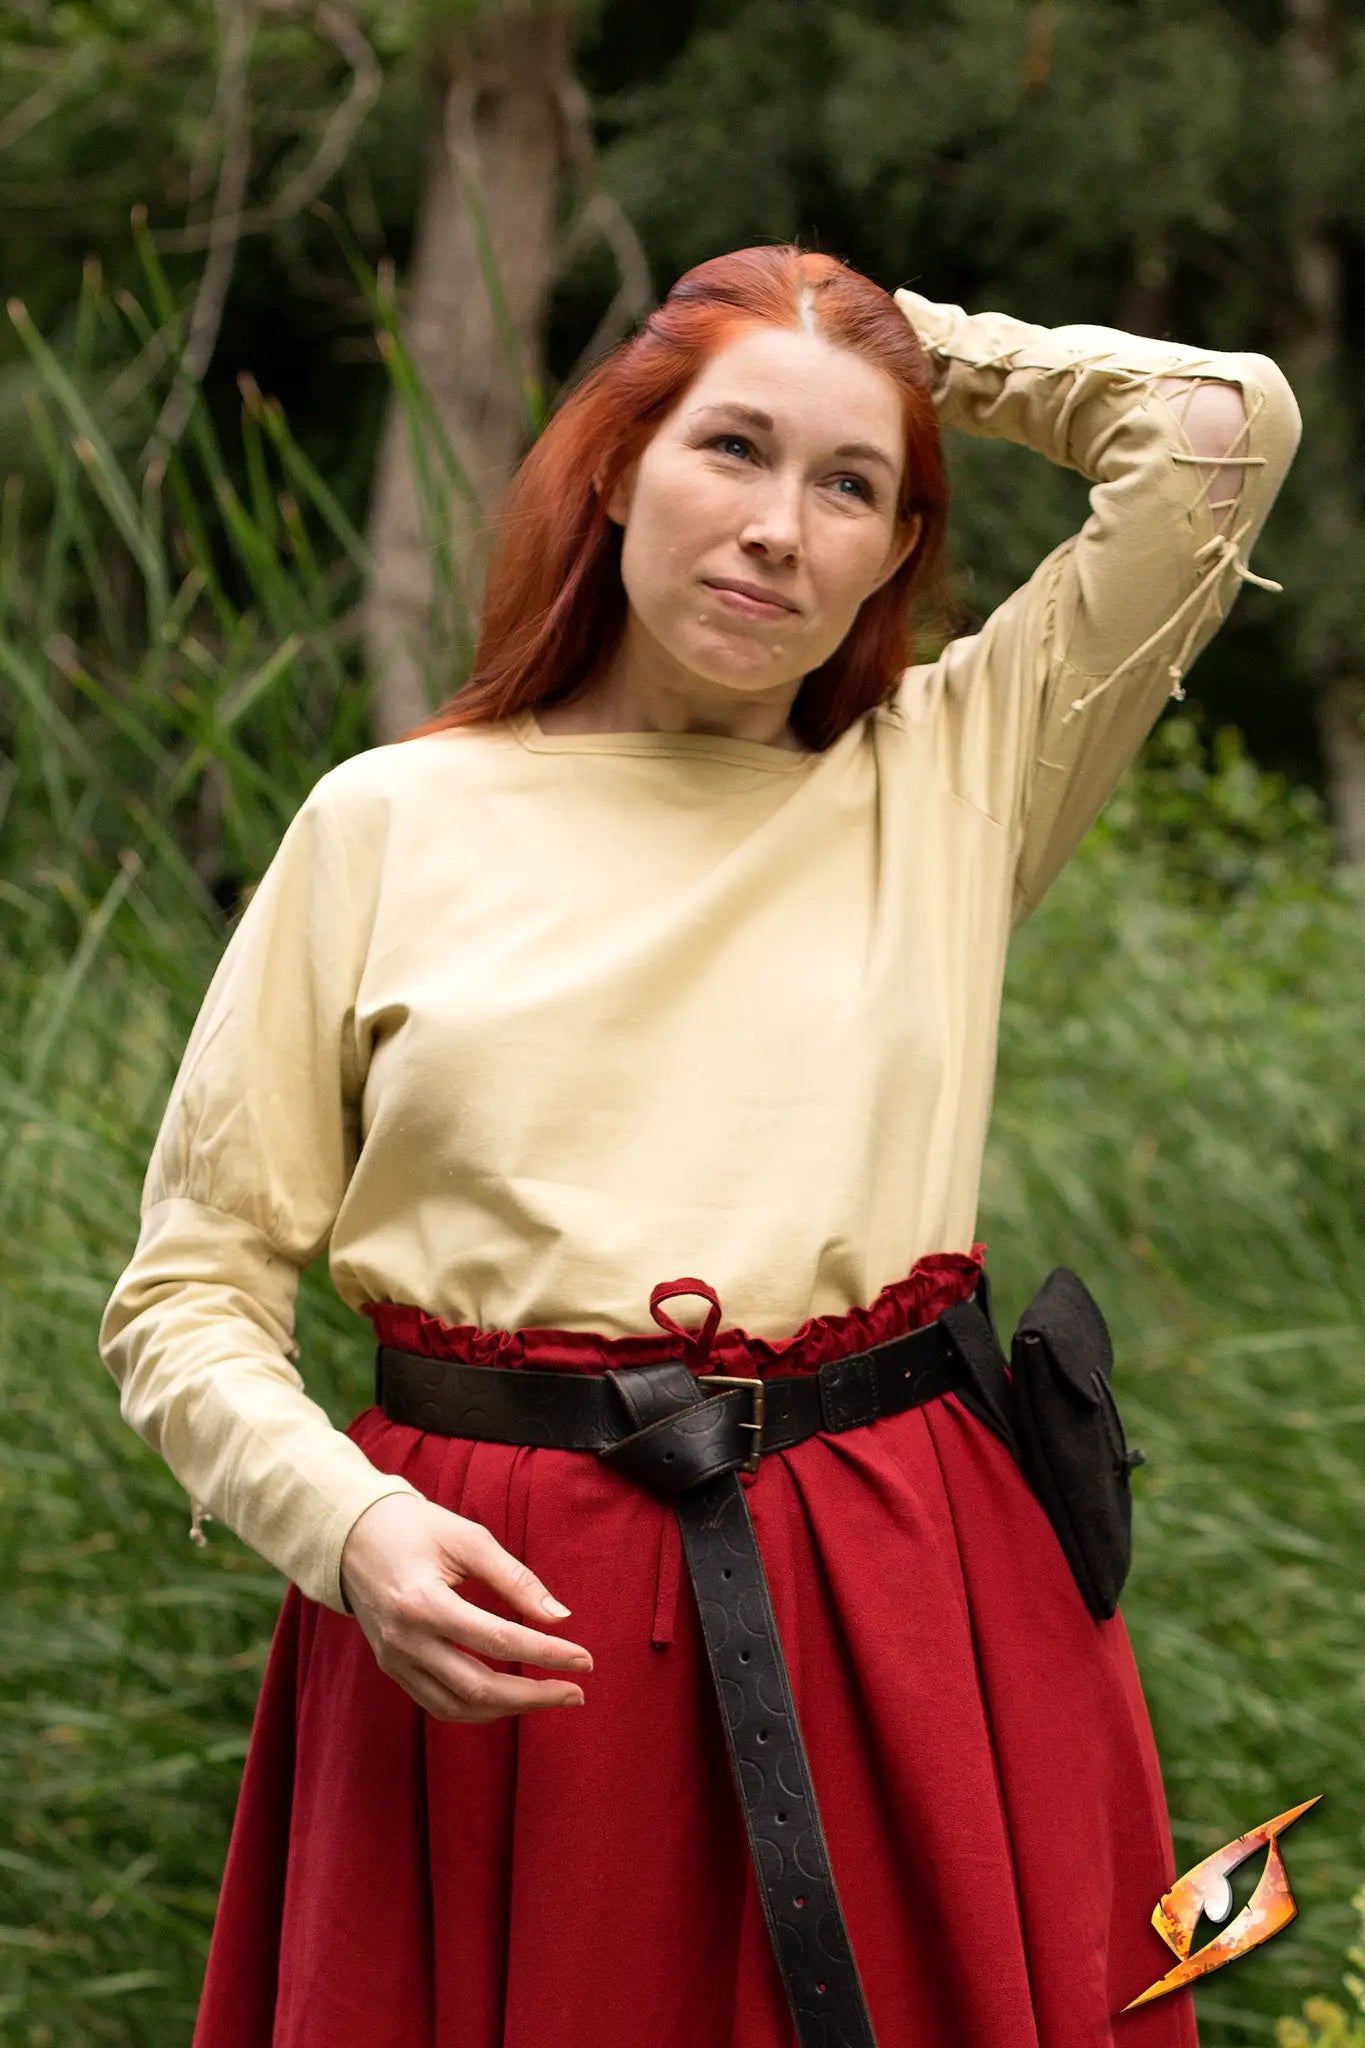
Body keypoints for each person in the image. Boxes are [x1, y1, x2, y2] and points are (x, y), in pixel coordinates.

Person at [98, 244, 1301, 2048]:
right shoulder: (388, 823)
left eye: (850, 488)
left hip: (915, 1605)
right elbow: (187, 1296)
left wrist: (884, 343)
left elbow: (1215, 426)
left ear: (896, 549)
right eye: (728, 448)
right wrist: (346, 1526)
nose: (778, 530)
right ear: (614, 461)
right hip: (500, 1618)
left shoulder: (950, 776)